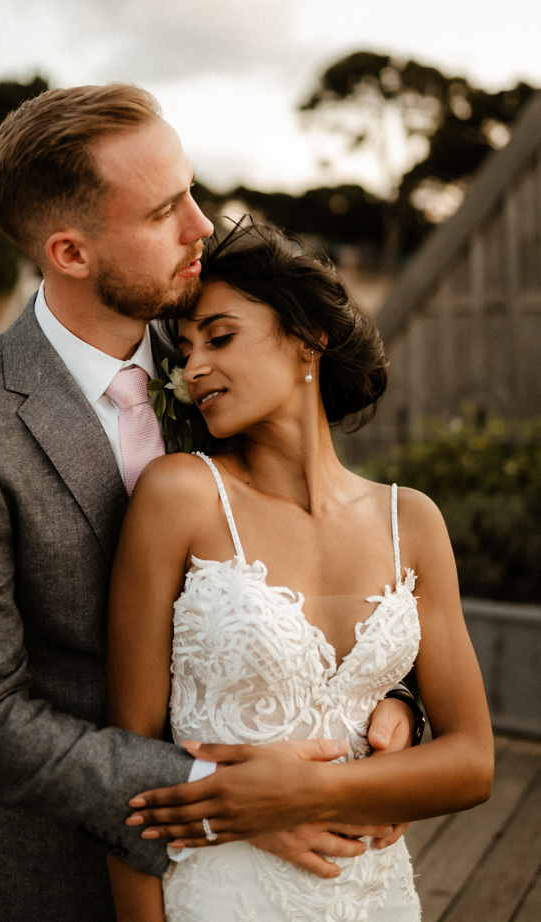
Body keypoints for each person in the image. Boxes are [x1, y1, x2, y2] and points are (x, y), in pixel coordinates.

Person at [0, 85, 419, 922]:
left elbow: (328, 551)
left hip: (297, 873)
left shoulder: (230, 352)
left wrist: (385, 704)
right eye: (166, 209)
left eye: (193, 190)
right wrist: (224, 797)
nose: (202, 226)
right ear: (71, 252)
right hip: (60, 882)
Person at [105, 221, 495, 922]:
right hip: (220, 894)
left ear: (308, 339)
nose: (193, 369)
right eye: (185, 351)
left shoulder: (414, 522)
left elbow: (473, 762)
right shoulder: (179, 496)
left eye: (220, 338)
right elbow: (125, 771)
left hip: (375, 895)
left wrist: (310, 793)